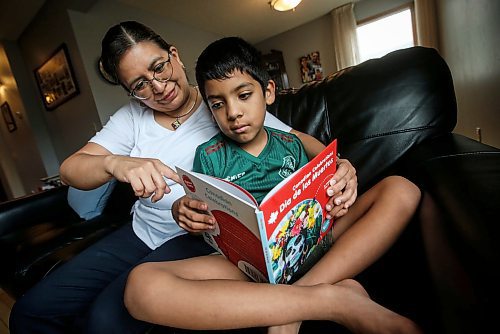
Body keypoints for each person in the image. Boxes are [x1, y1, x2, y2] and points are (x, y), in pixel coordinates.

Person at [9, 21, 356, 334]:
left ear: (174, 55)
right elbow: (72, 169)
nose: (158, 87)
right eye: (140, 85)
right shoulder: (132, 117)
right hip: (140, 233)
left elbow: (298, 140)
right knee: (29, 313)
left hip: (197, 237)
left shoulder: (221, 101)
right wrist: (116, 163)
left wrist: (339, 163)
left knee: (105, 321)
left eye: (160, 68)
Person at [124, 37, 423, 334]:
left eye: (243, 95)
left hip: (313, 242)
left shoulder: (292, 143)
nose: (233, 112)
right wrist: (186, 212)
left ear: (267, 92)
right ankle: (329, 299)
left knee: (402, 189)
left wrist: (338, 180)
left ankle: (296, 302)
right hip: (247, 266)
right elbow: (208, 218)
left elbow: (325, 187)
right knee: (141, 286)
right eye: (218, 104)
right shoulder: (208, 157)